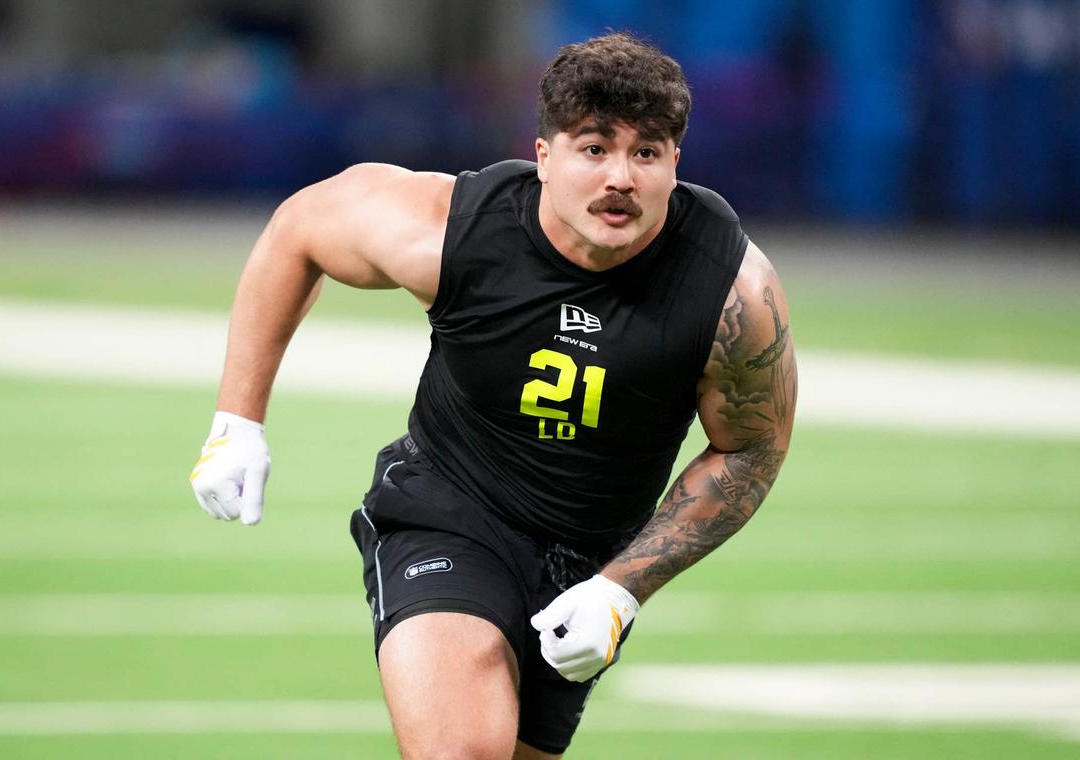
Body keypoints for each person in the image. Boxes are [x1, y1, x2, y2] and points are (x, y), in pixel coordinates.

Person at [189, 32, 796, 759]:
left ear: (675, 163)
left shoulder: (728, 287)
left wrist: (622, 588)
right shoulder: (455, 230)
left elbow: (750, 446)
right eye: (594, 148)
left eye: (646, 152)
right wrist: (236, 421)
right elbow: (300, 231)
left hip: (590, 559)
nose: (621, 178)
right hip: (450, 514)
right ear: (544, 157)